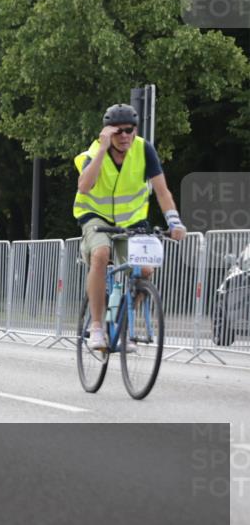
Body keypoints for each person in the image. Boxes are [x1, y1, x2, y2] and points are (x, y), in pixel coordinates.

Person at [74, 103, 186, 350]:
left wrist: (174, 221)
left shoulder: (144, 150)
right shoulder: (94, 152)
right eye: (118, 131)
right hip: (96, 217)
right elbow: (84, 186)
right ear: (107, 132)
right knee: (101, 254)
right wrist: (102, 149)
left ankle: (124, 325)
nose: (125, 136)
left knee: (145, 271)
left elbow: (162, 191)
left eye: (130, 130)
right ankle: (96, 328)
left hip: (131, 222)